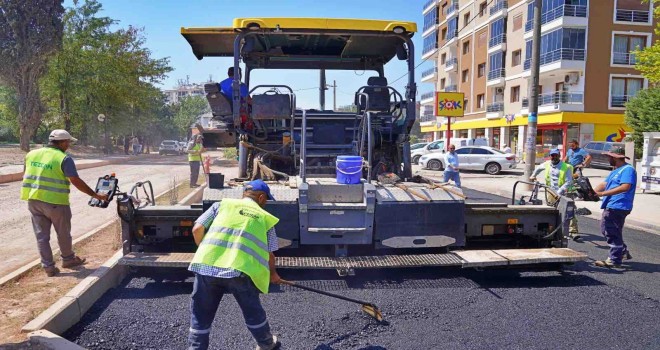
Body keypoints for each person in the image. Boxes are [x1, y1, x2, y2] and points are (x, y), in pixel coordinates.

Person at [188, 180, 282, 350]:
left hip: (205, 267)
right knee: (252, 311)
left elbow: (197, 229)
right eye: (266, 199)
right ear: (261, 197)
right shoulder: (264, 218)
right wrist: (273, 275)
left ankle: (195, 348)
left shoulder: (221, 205)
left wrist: (207, 252)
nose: (266, 203)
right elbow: (269, 254)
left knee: (200, 315)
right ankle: (266, 344)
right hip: (239, 271)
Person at [20, 130, 108, 277]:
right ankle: (68, 259)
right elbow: (75, 180)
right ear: (61, 142)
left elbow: (26, 174)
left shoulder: (31, 154)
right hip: (55, 202)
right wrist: (95, 195)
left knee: (41, 236)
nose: (68, 145)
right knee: (63, 233)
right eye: (67, 142)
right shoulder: (63, 158)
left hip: (33, 200)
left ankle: (48, 267)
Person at [593, 147, 636, 268]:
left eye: (609, 157)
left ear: (616, 157)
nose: (608, 159)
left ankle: (614, 260)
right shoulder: (616, 170)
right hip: (611, 204)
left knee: (612, 231)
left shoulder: (628, 170)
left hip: (619, 205)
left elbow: (625, 187)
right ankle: (622, 251)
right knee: (605, 229)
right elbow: (604, 184)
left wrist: (602, 194)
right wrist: (592, 192)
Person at [530, 149, 580, 240]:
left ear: (559, 156)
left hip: (565, 192)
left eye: (556, 155)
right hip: (551, 191)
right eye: (552, 155)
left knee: (569, 211)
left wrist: (560, 191)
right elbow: (538, 169)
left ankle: (573, 231)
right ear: (550, 156)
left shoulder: (566, 167)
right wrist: (533, 176)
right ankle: (552, 229)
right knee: (551, 210)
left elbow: (569, 181)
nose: (554, 157)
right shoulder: (547, 164)